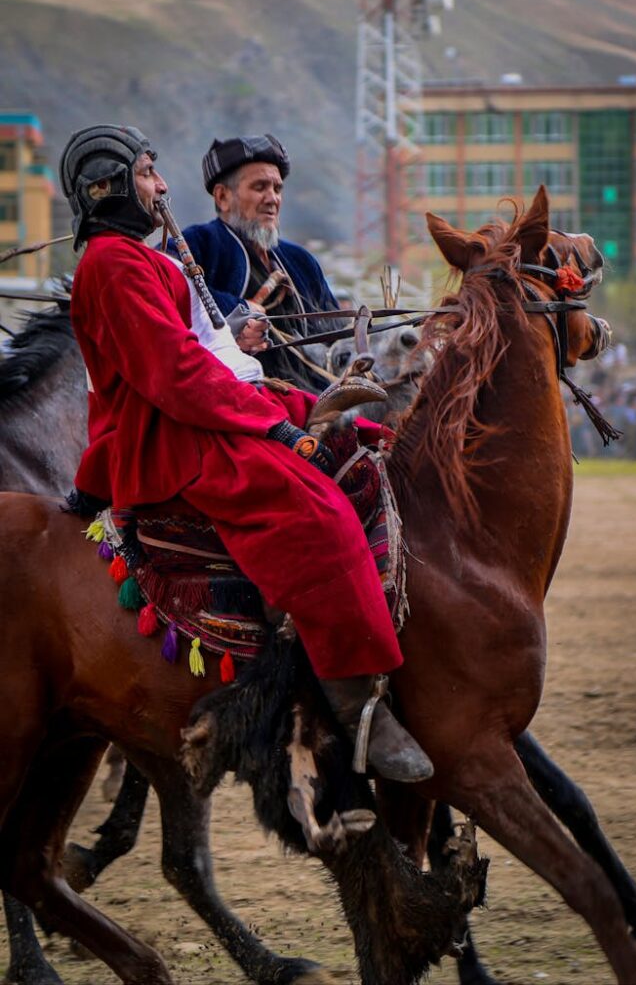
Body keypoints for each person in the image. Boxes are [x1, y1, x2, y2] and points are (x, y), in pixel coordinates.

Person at [59, 123, 432, 784]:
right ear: (107, 187)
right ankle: (354, 708)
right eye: (147, 173)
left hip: (196, 414)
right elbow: (173, 373)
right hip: (162, 438)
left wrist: (279, 408)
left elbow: (201, 357)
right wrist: (271, 426)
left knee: (355, 449)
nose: (162, 185)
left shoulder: (149, 259)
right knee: (314, 512)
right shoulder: (112, 265)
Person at [168, 133, 340, 391]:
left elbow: (337, 336)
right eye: (260, 187)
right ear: (222, 197)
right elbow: (161, 290)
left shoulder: (300, 261)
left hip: (316, 402)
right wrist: (236, 310)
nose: (272, 199)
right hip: (237, 401)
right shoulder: (194, 244)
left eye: (277, 189)